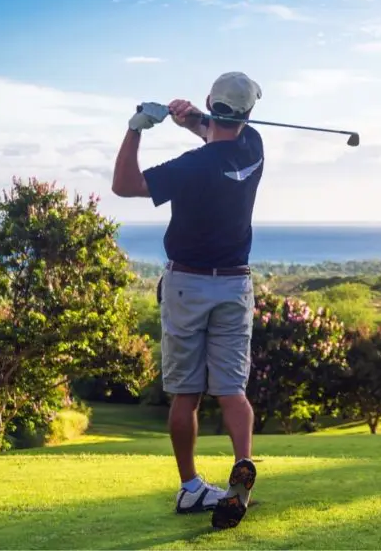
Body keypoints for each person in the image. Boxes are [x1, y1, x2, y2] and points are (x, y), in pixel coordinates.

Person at [111, 71, 264, 530]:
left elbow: (125, 185)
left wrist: (136, 127)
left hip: (187, 285)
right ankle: (242, 466)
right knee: (232, 390)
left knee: (186, 393)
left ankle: (191, 488)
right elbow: (218, 132)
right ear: (248, 113)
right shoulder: (254, 146)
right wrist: (191, 120)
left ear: (210, 102)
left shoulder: (190, 167)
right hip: (235, 284)